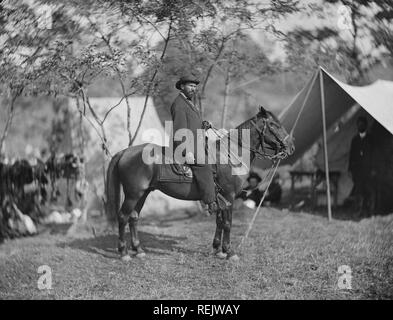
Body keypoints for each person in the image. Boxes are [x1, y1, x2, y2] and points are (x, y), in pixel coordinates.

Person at [170, 74, 219, 214]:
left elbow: (192, 125)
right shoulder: (179, 104)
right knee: (203, 165)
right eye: (191, 86)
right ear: (182, 86)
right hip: (186, 146)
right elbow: (180, 130)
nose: (193, 89)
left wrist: (204, 125)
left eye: (195, 86)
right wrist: (187, 151)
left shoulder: (188, 102)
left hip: (196, 143)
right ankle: (210, 202)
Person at [348, 116, 375, 215]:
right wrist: (350, 169)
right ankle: (358, 211)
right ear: (357, 126)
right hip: (357, 170)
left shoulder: (370, 140)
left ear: (366, 126)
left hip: (368, 170)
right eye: (359, 124)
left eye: (362, 124)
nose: (361, 126)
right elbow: (351, 155)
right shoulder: (354, 140)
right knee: (358, 191)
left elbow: (373, 155)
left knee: (369, 191)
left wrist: (373, 169)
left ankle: (370, 212)